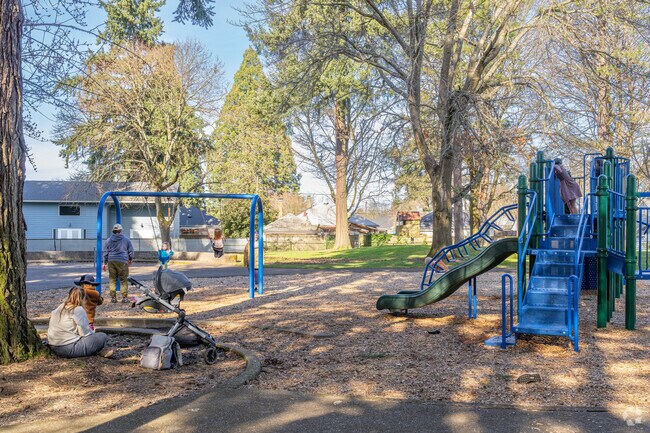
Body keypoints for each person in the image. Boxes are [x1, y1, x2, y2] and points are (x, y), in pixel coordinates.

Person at [47, 287, 108, 358]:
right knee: (102, 336)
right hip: (68, 347)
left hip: (53, 344)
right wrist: (92, 332)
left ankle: (95, 351)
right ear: (83, 298)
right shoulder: (78, 310)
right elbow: (84, 333)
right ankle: (96, 351)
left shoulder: (61, 306)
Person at [102, 223, 135, 303]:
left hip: (111, 261)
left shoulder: (108, 240)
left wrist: (105, 262)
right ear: (121, 231)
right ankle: (124, 298)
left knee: (112, 279)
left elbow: (106, 252)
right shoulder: (126, 240)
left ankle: (113, 298)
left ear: (113, 231)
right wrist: (130, 258)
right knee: (123, 280)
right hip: (123, 261)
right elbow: (131, 251)